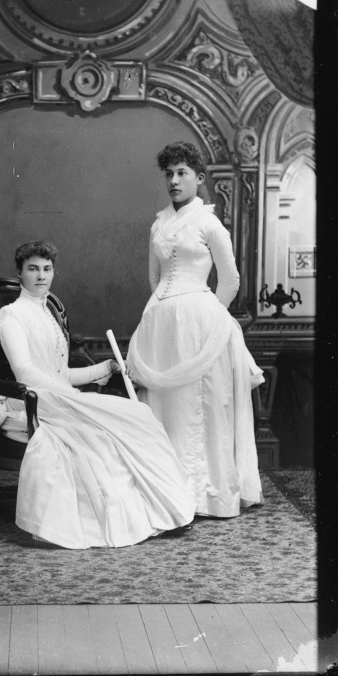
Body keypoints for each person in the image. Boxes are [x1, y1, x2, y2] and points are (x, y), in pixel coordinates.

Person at [0, 240, 195, 550]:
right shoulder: (10, 316)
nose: (41, 276)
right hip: (31, 400)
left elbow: (61, 373)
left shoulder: (48, 315)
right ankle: (116, 519)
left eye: (47, 269)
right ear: (20, 273)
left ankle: (162, 510)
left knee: (139, 416)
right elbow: (26, 373)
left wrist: (104, 368)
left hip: (59, 396)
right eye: (33, 269)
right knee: (105, 433)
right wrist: (71, 396)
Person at [126, 141, 264, 519]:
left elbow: (231, 279)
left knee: (201, 406)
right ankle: (170, 493)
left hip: (202, 322)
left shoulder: (208, 222)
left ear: (199, 179)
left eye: (182, 173)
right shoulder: (159, 223)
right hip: (161, 323)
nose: (174, 180)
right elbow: (155, 278)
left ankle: (208, 494)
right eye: (169, 174)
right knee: (165, 405)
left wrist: (209, 317)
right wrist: (166, 313)